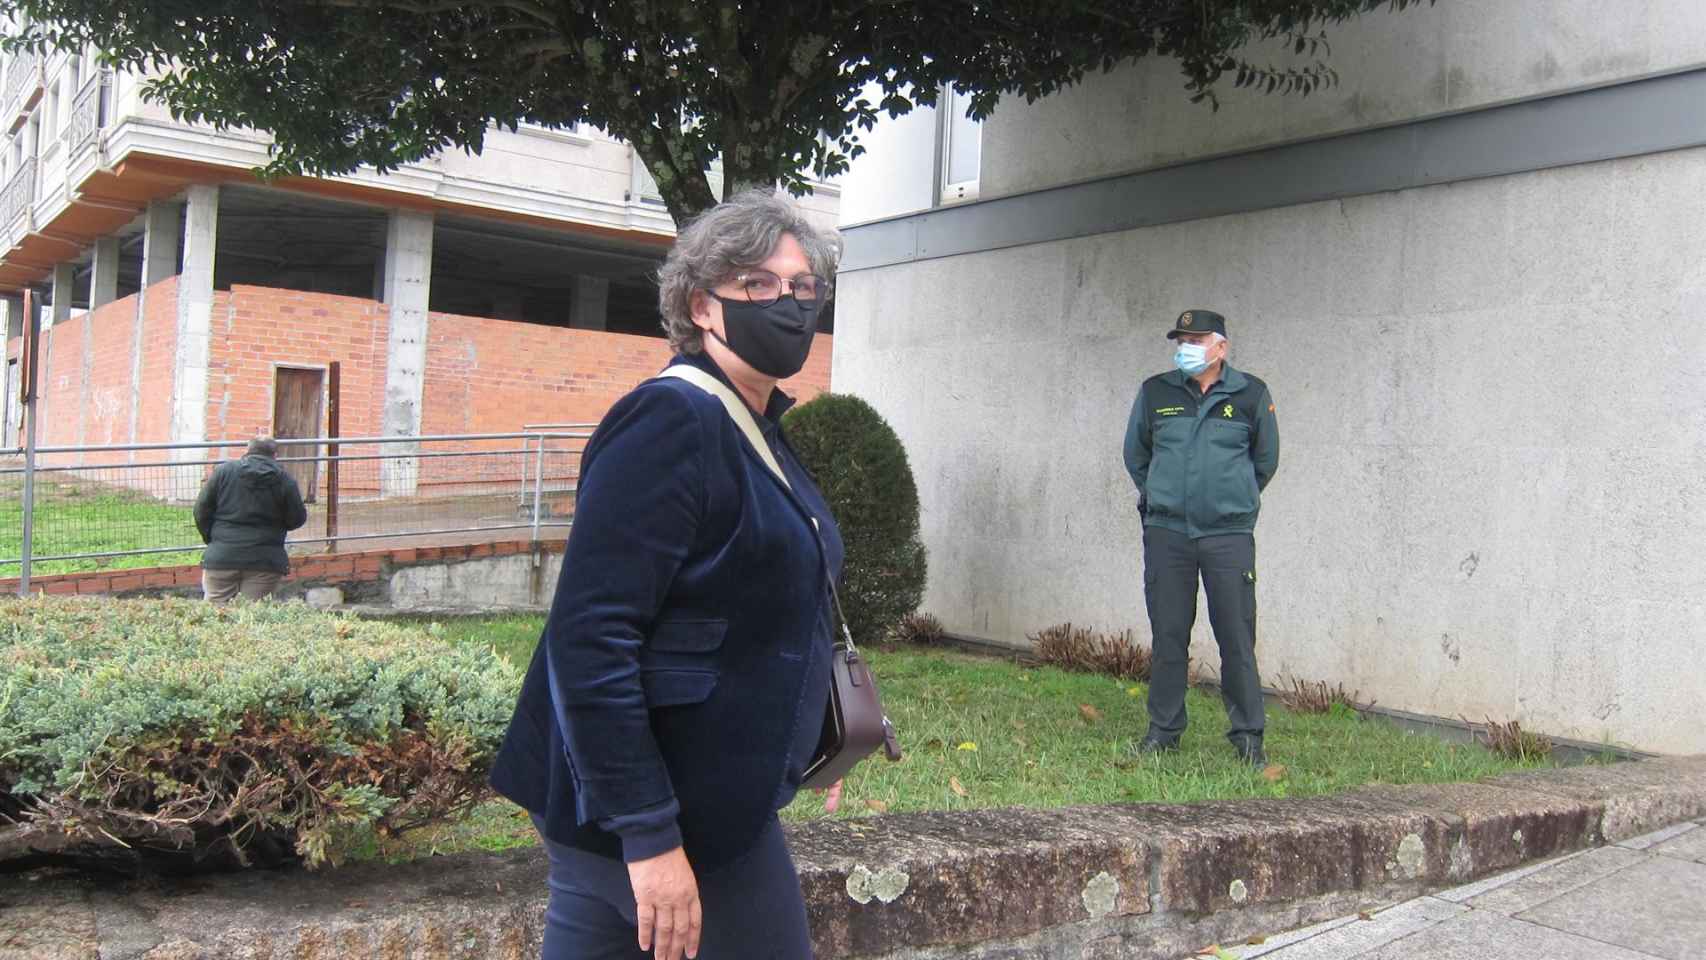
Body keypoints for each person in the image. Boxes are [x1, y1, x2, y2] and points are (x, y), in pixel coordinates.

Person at [489, 189, 846, 960]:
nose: (788, 303)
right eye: (757, 285)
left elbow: (760, 595)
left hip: (691, 799)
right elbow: (590, 638)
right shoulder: (672, 422)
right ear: (701, 305)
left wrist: (813, 724)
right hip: (673, 814)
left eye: (802, 287)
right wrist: (648, 839)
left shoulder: (752, 421)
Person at [1122, 309, 1279, 766]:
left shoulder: (1251, 394)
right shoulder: (1156, 392)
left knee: (1236, 636)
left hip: (1227, 536)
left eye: (1196, 339)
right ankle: (1163, 732)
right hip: (1168, 533)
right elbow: (1137, 454)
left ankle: (1248, 736)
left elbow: (1264, 461)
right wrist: (1160, 495)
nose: (1186, 346)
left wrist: (1233, 499)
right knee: (1169, 635)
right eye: (1181, 339)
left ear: (1221, 347)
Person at [193, 436, 308, 602]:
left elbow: (200, 510)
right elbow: (297, 519)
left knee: (215, 611)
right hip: (265, 560)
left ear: (247, 451)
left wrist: (213, 538)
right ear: (275, 455)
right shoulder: (285, 480)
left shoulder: (223, 472)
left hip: (222, 556)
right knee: (253, 615)